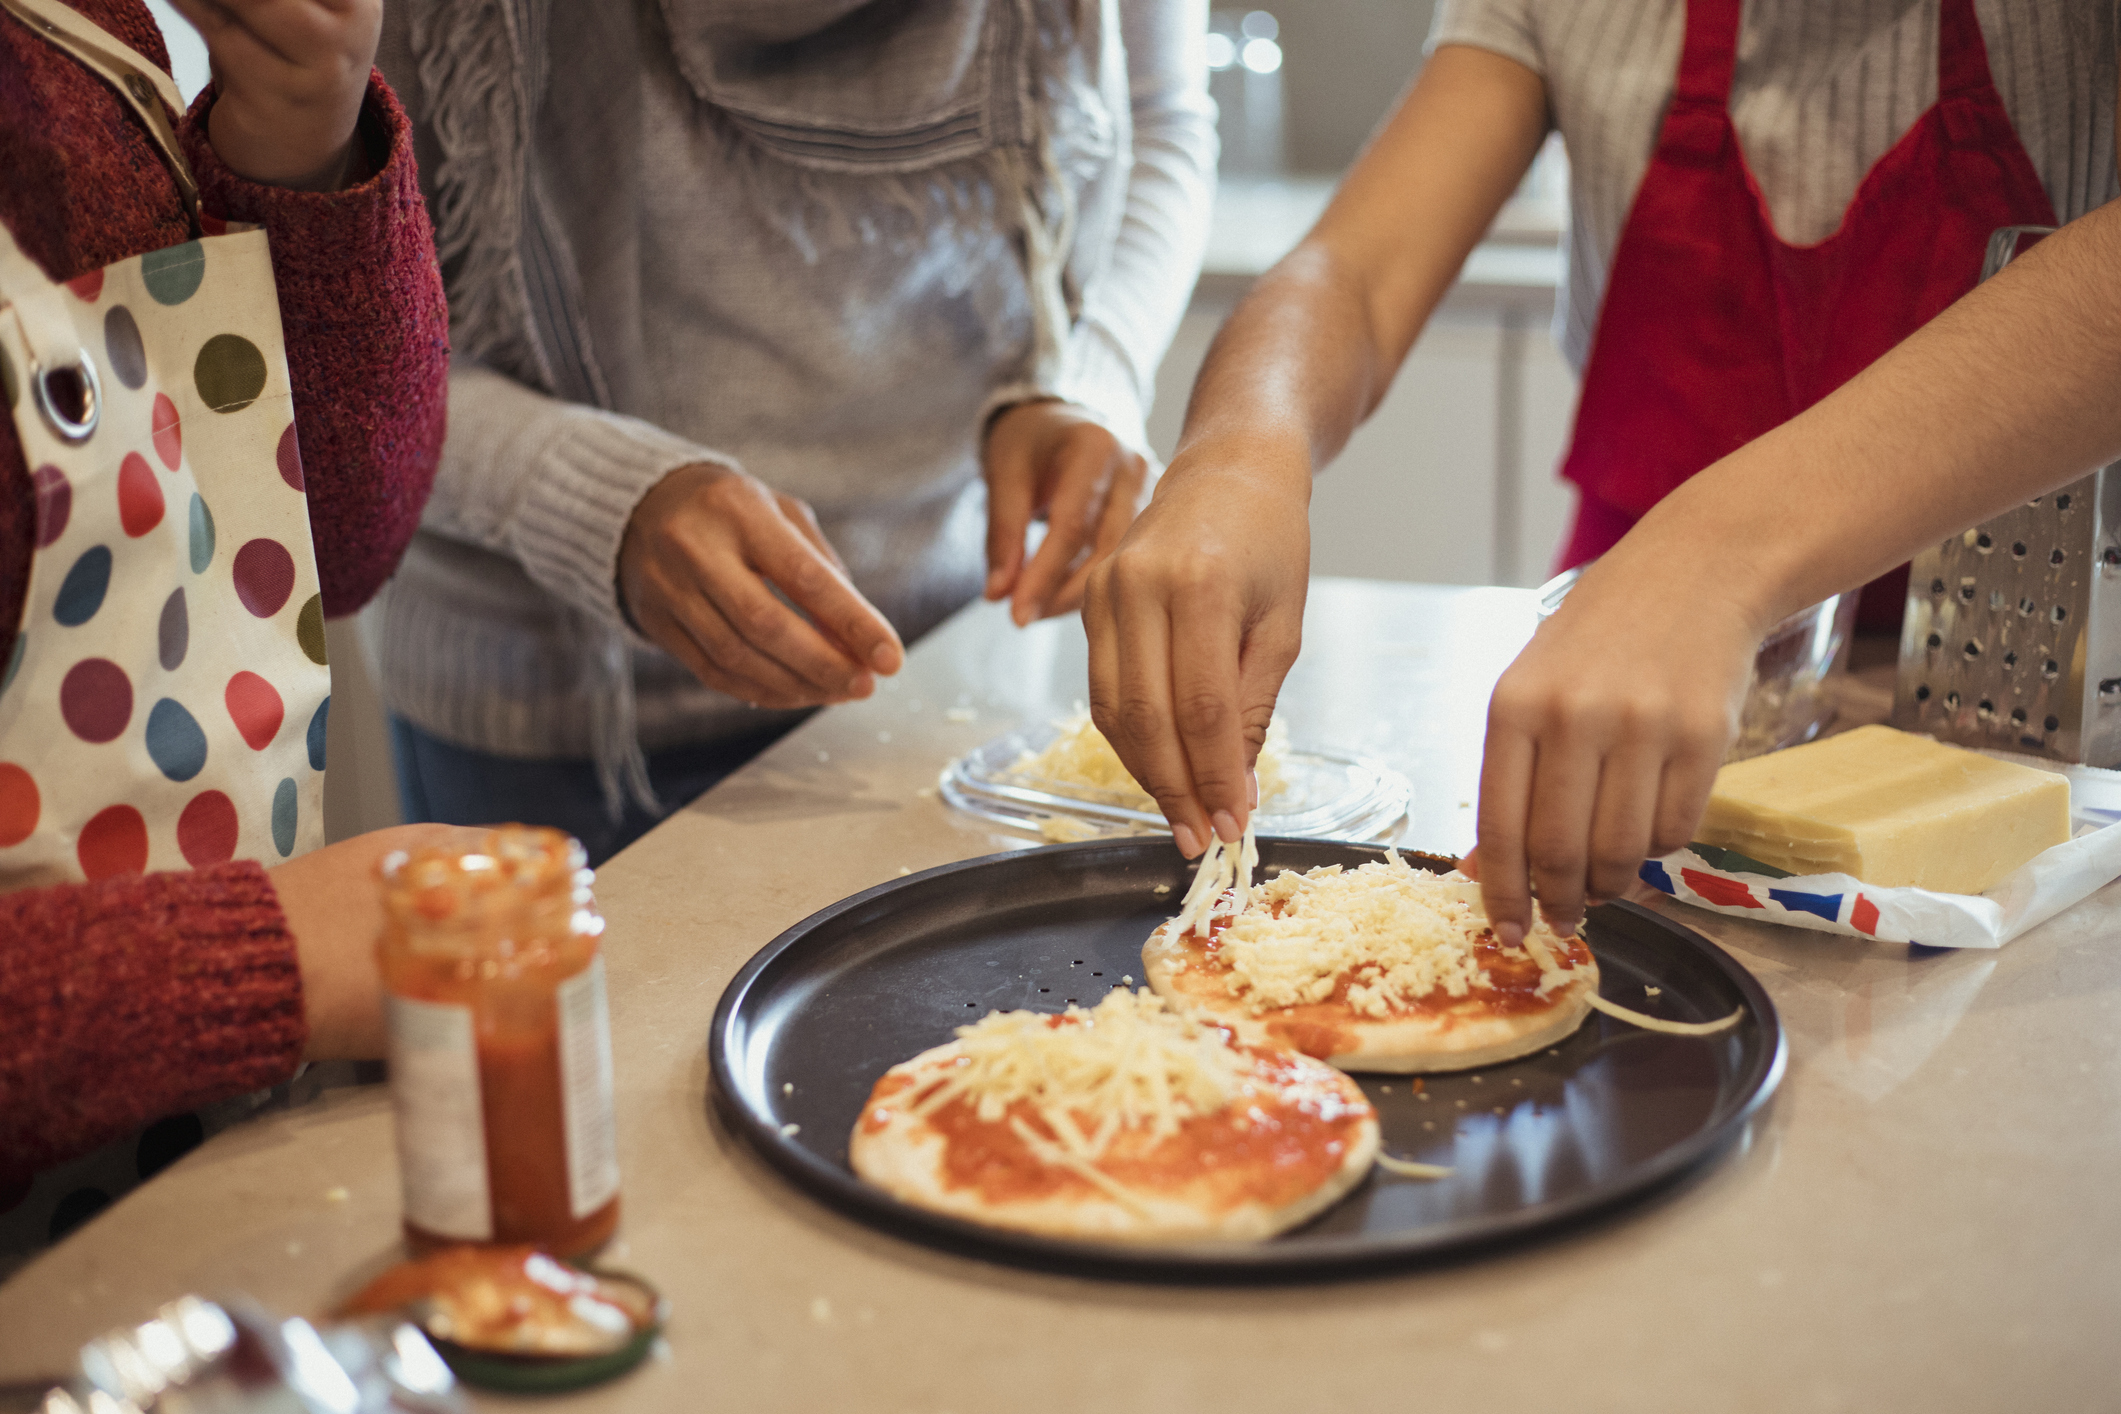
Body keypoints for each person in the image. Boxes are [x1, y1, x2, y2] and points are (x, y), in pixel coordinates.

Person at [1076, 2, 2117, 931]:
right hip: (1617, 698)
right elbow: (1353, 271)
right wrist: (1240, 449)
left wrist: (1718, 555)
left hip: (2030, 733)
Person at [372, 0, 1216, 863]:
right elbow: (332, 328)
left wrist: (1081, 380)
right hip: (555, 722)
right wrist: (590, 495)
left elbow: (1159, 122)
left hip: (951, 667)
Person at [0, 0, 459, 1244]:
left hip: (182, 1206)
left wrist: (304, 137)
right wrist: (269, 956)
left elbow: (337, 552)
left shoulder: (82, 44)